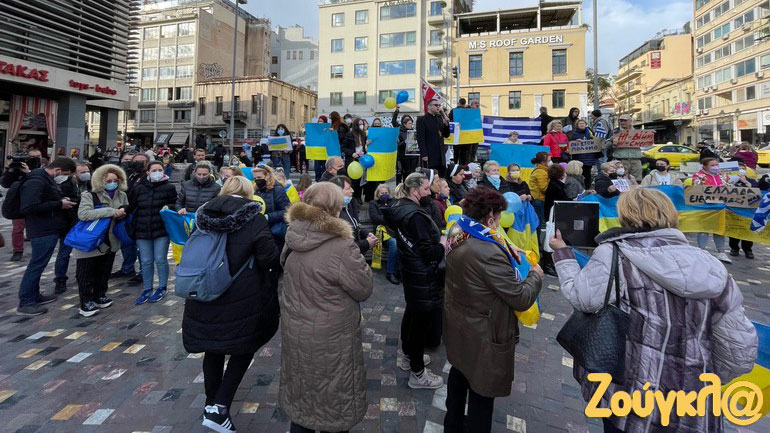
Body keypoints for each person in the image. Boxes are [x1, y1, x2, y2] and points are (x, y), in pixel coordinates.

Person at [548, 187, 758, 433]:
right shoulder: (711, 265)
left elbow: (582, 299)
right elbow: (739, 348)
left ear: (625, 215)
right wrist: (700, 376)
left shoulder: (615, 254)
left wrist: (563, 254)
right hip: (693, 403)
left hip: (630, 398)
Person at [182, 177, 280, 433]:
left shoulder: (203, 215)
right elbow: (268, 256)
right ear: (248, 193)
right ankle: (220, 407)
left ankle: (211, 402)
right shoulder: (254, 217)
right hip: (241, 296)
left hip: (204, 292)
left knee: (212, 349)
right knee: (243, 347)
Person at [443, 187, 543, 433]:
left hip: (460, 322)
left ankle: (452, 425)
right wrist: (535, 276)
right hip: (484, 331)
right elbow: (520, 298)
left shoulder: (459, 228)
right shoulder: (487, 252)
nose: (499, 222)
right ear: (490, 217)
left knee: (459, 375)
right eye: (498, 217)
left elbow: (487, 247)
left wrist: (509, 252)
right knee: (481, 393)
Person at [279, 182, 373, 433]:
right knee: (334, 399)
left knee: (302, 393)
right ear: (335, 208)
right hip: (332, 337)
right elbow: (363, 288)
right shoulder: (341, 246)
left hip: (296, 329)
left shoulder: (293, 233)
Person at [382, 172, 445, 389]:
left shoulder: (399, 206)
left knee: (412, 314)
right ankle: (418, 374)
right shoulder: (415, 215)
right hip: (422, 275)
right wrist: (444, 244)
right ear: (416, 190)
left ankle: (408, 356)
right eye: (427, 189)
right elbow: (429, 252)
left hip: (411, 271)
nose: (431, 192)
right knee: (419, 324)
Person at [15, 157, 77, 316]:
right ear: (58, 170)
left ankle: (34, 295)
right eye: (65, 174)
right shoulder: (37, 181)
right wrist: (59, 204)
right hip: (41, 230)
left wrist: (60, 201)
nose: (65, 177)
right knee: (36, 265)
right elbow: (29, 206)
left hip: (47, 228)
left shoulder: (43, 179)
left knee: (39, 264)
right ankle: (26, 301)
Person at [73, 164, 129, 317]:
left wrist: (123, 213)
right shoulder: (90, 195)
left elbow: (125, 208)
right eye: (108, 180)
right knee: (85, 273)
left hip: (110, 239)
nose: (112, 183)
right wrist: (111, 211)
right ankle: (85, 301)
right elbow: (84, 214)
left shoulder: (121, 195)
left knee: (104, 271)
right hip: (90, 239)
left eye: (115, 180)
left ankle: (99, 295)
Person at [128, 161, 178, 305]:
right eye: (154, 170)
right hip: (142, 229)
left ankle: (162, 287)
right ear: (148, 172)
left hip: (161, 229)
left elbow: (176, 204)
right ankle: (147, 288)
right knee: (146, 261)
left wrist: (169, 206)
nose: (157, 172)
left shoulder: (169, 187)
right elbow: (132, 206)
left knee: (160, 259)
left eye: (160, 169)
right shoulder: (139, 188)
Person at [1, 146, 43, 262]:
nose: (34, 159)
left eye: (37, 157)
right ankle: (17, 251)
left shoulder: (43, 170)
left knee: (37, 228)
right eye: (32, 157)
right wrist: (10, 169)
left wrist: (28, 172)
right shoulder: (18, 168)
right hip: (19, 203)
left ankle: (37, 249)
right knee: (18, 228)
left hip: (37, 203)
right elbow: (5, 184)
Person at [54, 163, 89, 294]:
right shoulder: (67, 185)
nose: (86, 174)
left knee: (85, 252)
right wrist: (81, 198)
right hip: (69, 223)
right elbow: (68, 203)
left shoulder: (91, 184)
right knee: (64, 253)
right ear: (75, 173)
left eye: (87, 171)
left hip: (84, 222)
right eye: (82, 172)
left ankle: (82, 274)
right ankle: (60, 280)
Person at [692, 157, 732, 263]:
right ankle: (701, 251)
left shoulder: (723, 176)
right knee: (704, 229)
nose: (715, 167)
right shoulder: (699, 176)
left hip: (721, 207)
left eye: (717, 165)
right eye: (712, 165)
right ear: (705, 166)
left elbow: (730, 188)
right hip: (705, 207)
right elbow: (697, 190)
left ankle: (721, 252)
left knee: (720, 229)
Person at [329, 175, 377, 255]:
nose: (352, 190)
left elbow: (354, 227)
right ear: (337, 191)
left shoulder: (345, 207)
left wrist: (365, 233)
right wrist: (367, 243)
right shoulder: (334, 215)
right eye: (348, 188)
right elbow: (344, 248)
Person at [252, 165, 291, 248]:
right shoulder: (256, 190)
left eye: (259, 177)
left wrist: (268, 217)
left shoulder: (277, 189)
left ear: (267, 176)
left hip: (275, 232)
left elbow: (287, 210)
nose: (257, 180)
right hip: (261, 230)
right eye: (255, 178)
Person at [369, 184, 401, 284]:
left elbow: (397, 215)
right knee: (394, 243)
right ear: (378, 194)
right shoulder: (373, 203)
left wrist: (387, 219)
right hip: (381, 232)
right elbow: (375, 218)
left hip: (394, 230)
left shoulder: (393, 202)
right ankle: (390, 272)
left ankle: (400, 271)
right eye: (382, 193)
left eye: (386, 193)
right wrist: (389, 219)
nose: (384, 195)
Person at [729, 161, 757, 259]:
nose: (741, 171)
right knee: (733, 230)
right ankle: (734, 248)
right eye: (738, 169)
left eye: (743, 169)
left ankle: (748, 250)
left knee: (747, 231)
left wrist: (745, 182)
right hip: (733, 210)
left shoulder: (752, 181)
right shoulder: (729, 181)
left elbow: (756, 191)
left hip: (748, 211)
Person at [417, 99, 451, 177]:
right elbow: (420, 138)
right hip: (430, 154)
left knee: (441, 177)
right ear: (429, 106)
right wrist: (424, 154)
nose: (438, 107)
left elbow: (446, 135)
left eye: (439, 105)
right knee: (431, 177)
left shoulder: (439, 119)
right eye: (436, 105)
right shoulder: (422, 120)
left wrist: (446, 125)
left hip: (441, 155)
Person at [609, 114, 643, 182]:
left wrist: (649, 137)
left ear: (630, 121)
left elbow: (645, 142)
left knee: (637, 180)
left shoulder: (638, 132)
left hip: (635, 160)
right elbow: (606, 145)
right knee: (621, 179)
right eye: (621, 121)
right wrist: (611, 142)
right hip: (621, 160)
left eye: (625, 120)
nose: (622, 122)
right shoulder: (614, 132)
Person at [570, 119, 600, 189]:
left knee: (588, 173)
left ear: (585, 124)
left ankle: (587, 187)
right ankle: (580, 188)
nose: (582, 124)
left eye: (583, 123)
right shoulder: (574, 133)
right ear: (577, 125)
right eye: (580, 123)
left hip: (589, 157)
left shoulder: (591, 132)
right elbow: (571, 143)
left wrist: (594, 139)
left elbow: (596, 141)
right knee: (579, 173)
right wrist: (576, 141)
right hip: (579, 157)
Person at [393, 111, 419, 184]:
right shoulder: (400, 131)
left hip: (413, 156)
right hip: (404, 157)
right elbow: (398, 145)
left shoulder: (414, 132)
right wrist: (404, 142)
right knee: (404, 174)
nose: (411, 125)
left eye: (411, 123)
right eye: (409, 123)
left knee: (412, 173)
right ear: (404, 123)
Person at [528, 151, 551, 227]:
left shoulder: (540, 170)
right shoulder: (541, 172)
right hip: (539, 200)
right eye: (549, 160)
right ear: (543, 162)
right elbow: (544, 188)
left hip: (537, 199)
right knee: (538, 224)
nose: (550, 162)